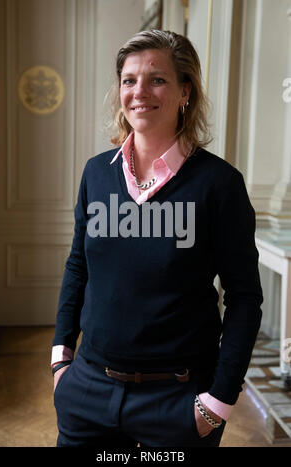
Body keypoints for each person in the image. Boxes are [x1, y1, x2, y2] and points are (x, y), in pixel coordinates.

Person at [51, 29, 263, 448]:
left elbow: (244, 296)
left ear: (186, 91)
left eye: (157, 79)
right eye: (129, 80)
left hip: (178, 398)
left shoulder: (219, 185)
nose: (139, 91)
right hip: (89, 389)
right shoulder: (96, 173)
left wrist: (218, 401)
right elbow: (79, 265)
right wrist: (61, 358)